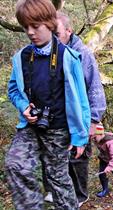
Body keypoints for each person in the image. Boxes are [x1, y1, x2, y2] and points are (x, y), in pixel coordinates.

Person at [4, 0, 90, 209]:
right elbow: (13, 89)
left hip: (59, 130)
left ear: (50, 23)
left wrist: (81, 136)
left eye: (36, 26)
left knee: (58, 180)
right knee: (15, 165)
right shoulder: (22, 57)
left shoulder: (68, 57)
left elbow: (81, 100)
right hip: (31, 126)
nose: (30, 32)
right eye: (26, 27)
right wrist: (23, 106)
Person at [42, 11, 107, 207]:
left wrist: (93, 122)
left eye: (57, 32)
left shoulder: (82, 54)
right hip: (56, 118)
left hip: (81, 118)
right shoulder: (47, 52)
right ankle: (56, 192)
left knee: (78, 159)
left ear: (69, 31)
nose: (53, 37)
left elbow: (95, 88)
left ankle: (79, 196)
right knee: (55, 157)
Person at [91, 123, 113, 197]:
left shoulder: (110, 142)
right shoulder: (98, 138)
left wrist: (110, 167)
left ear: (100, 134)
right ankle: (105, 190)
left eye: (94, 137)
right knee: (102, 174)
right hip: (104, 159)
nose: (93, 139)